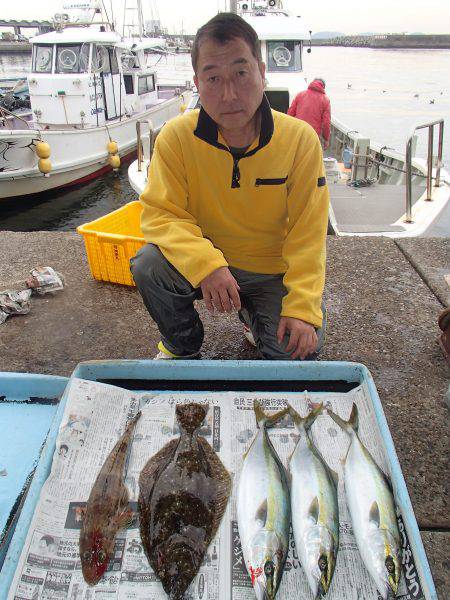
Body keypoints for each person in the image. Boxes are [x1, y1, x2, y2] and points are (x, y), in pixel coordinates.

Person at [130, 12, 329, 361]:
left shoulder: (300, 140)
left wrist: (302, 308)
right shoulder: (177, 137)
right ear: (197, 82)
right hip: (210, 261)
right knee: (148, 264)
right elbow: (161, 215)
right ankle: (183, 342)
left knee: (295, 355)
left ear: (262, 72)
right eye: (213, 78)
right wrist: (207, 263)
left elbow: (308, 232)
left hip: (273, 272)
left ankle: (254, 317)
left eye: (241, 73)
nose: (229, 94)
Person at [287, 78, 331, 149]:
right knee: (310, 157)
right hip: (313, 134)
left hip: (298, 132)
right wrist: (326, 139)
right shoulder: (325, 100)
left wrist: (288, 131)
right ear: (323, 87)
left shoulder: (300, 95)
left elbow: (290, 114)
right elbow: (326, 123)